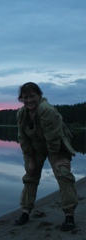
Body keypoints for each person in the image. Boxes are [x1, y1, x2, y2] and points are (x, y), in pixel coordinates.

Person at [14, 82, 78, 231]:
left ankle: (69, 216)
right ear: (21, 99)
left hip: (58, 145)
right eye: (25, 97)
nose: (29, 100)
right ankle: (25, 212)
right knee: (30, 175)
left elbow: (53, 139)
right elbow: (22, 138)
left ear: (39, 96)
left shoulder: (47, 110)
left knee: (63, 175)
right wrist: (30, 160)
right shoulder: (21, 113)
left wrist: (56, 160)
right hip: (36, 146)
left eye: (32, 96)